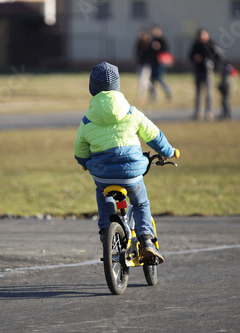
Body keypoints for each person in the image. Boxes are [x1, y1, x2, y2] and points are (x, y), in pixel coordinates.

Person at [74, 61, 177, 263]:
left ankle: (106, 231)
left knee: (102, 191)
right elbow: (153, 135)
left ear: (91, 88)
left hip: (102, 173)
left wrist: (84, 163)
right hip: (131, 172)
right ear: (117, 85)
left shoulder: (87, 119)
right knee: (140, 202)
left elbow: (80, 149)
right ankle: (146, 241)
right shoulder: (131, 112)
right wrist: (169, 151)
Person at [188, 29, 223, 121]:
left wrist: (214, 66)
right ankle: (198, 112)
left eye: (204, 35)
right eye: (200, 35)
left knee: (209, 92)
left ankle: (209, 112)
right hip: (198, 70)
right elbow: (190, 56)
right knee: (199, 92)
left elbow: (219, 56)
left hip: (208, 71)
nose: (202, 37)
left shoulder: (211, 44)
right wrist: (195, 58)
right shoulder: (196, 45)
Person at [148, 26, 172, 102]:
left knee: (160, 78)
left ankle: (168, 92)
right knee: (152, 80)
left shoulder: (162, 40)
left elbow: (166, 49)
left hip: (160, 63)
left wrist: (158, 47)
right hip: (153, 63)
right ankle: (153, 96)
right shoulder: (152, 40)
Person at [135, 30, 152, 102]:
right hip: (140, 64)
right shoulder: (139, 43)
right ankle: (153, 91)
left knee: (142, 80)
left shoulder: (149, 43)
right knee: (144, 80)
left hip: (147, 64)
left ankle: (141, 95)